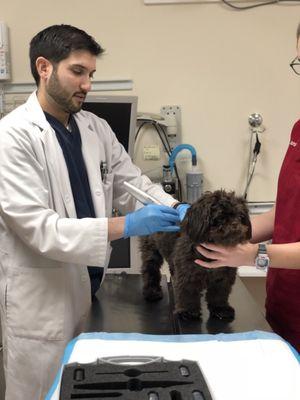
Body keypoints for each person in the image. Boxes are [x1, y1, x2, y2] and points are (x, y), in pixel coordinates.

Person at [0, 24, 189, 400]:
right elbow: (42, 229)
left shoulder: (94, 127)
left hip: (88, 289)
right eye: (77, 71)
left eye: (91, 74)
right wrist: (129, 224)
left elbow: (132, 182)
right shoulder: (12, 137)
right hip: (41, 301)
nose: (87, 84)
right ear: (44, 68)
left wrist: (174, 208)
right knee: (40, 392)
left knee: (84, 391)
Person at [195, 24, 300, 354]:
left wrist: (254, 254)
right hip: (286, 304)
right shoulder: (299, 128)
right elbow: (284, 211)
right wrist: (224, 236)